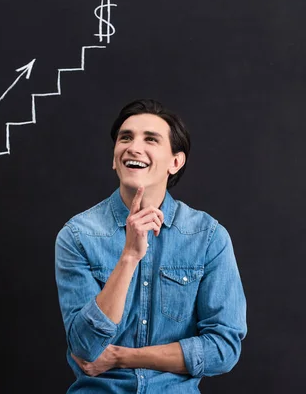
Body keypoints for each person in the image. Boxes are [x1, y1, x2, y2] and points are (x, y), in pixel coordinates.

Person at [54, 98, 247, 393]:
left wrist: (121, 357)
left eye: (151, 139)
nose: (133, 147)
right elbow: (85, 348)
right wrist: (129, 256)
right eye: (125, 138)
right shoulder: (78, 235)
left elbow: (223, 349)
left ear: (175, 162)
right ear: (114, 157)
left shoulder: (208, 236)